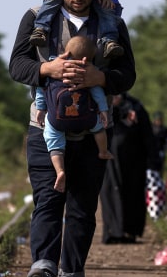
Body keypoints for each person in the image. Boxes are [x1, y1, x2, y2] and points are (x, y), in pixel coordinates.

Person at [9, 0, 136, 277]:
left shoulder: (111, 23)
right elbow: (17, 65)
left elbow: (128, 74)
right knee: (48, 202)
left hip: (94, 132)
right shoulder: (37, 16)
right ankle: (44, 270)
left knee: (82, 209)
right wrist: (48, 67)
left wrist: (101, 78)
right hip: (46, 130)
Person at [34, 35, 113, 193]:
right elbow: (97, 92)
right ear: (87, 59)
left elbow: (41, 89)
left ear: (66, 52)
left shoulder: (54, 67)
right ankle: (103, 151)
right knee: (99, 129)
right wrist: (103, 110)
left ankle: (60, 170)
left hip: (57, 119)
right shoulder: (87, 73)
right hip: (85, 118)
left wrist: (40, 109)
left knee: (53, 139)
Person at [100, 92, 160, 244]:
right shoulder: (100, 103)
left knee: (132, 196)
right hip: (108, 161)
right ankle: (112, 232)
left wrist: (153, 162)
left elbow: (148, 136)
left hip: (133, 163)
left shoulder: (136, 107)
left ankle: (130, 232)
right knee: (109, 195)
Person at [150, 111, 167, 178]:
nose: (159, 122)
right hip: (150, 155)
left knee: (159, 173)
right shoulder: (149, 128)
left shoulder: (165, 130)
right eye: (157, 120)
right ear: (154, 120)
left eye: (160, 120)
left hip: (160, 154)